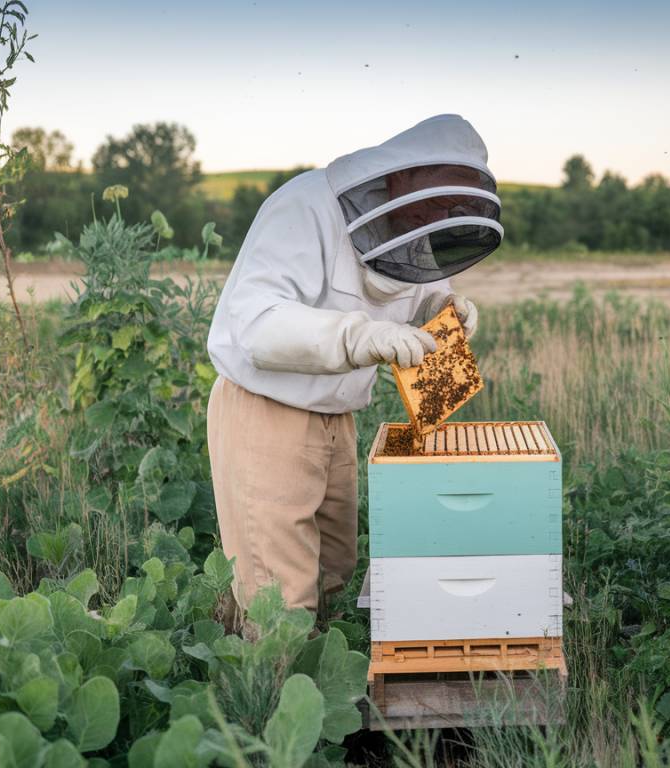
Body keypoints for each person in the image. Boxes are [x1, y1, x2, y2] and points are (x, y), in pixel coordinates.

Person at [206, 114, 504, 612]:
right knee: (279, 593)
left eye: (451, 207)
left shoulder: (416, 223)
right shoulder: (305, 206)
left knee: (333, 573)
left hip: (337, 418)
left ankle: (294, 657)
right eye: (436, 201)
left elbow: (419, 293)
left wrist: (442, 311)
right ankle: (257, 662)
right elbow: (256, 325)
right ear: (403, 175)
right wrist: (360, 336)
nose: (439, 214)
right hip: (266, 410)